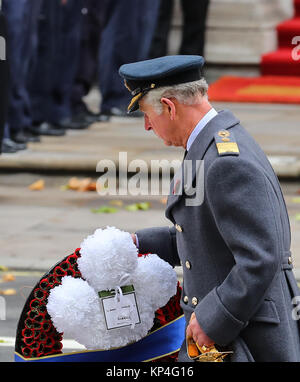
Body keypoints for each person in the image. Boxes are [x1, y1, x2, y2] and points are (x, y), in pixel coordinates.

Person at [119, 55, 300, 362]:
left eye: (147, 114)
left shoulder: (225, 162)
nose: (148, 125)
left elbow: (259, 257)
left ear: (170, 106)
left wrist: (215, 318)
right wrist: (137, 244)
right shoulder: (210, 146)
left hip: (245, 337)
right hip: (231, 332)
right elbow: (207, 238)